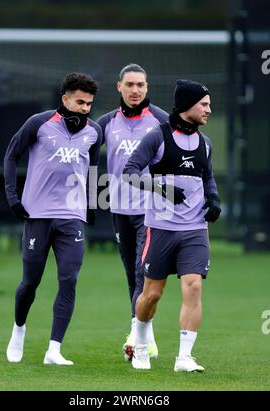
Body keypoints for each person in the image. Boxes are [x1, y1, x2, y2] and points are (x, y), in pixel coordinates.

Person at [123, 79, 221, 371]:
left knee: (193, 287)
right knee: (152, 294)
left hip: (195, 229)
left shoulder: (205, 143)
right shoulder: (157, 136)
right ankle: (140, 343)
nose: (209, 110)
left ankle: (184, 357)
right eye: (204, 104)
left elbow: (208, 178)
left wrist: (214, 200)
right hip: (161, 228)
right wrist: (161, 188)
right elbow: (129, 172)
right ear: (187, 105)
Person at [4, 72, 101, 365]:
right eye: (80, 102)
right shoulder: (39, 123)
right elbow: (11, 155)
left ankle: (54, 349)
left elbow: (92, 168)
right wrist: (13, 198)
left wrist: (92, 205)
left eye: (89, 104)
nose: (85, 108)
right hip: (38, 216)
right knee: (30, 282)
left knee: (69, 280)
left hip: (72, 218)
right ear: (65, 99)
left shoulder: (94, 132)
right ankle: (19, 329)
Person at [97, 64, 168, 361]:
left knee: (143, 272)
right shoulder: (105, 122)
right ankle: (143, 336)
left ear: (147, 87)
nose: (135, 90)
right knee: (131, 274)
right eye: (130, 84)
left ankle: (135, 338)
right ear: (119, 87)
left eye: (140, 84)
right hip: (119, 208)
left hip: (150, 209)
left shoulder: (162, 120)